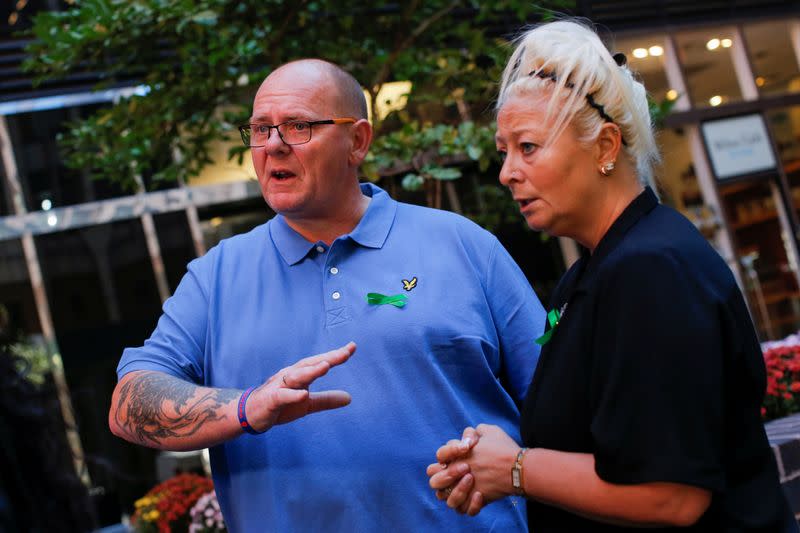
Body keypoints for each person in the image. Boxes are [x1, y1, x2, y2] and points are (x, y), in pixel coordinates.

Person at [109, 58, 546, 531]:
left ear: (357, 140)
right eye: (260, 129)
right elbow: (128, 402)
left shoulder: (463, 244)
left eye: (298, 126)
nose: (273, 146)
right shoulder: (216, 277)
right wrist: (247, 407)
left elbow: (557, 400)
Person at [427, 19, 797, 532]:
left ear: (605, 147)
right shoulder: (596, 273)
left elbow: (669, 496)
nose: (507, 171)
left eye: (528, 147)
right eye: (503, 151)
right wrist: (491, 461)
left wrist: (515, 468)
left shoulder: (649, 269)